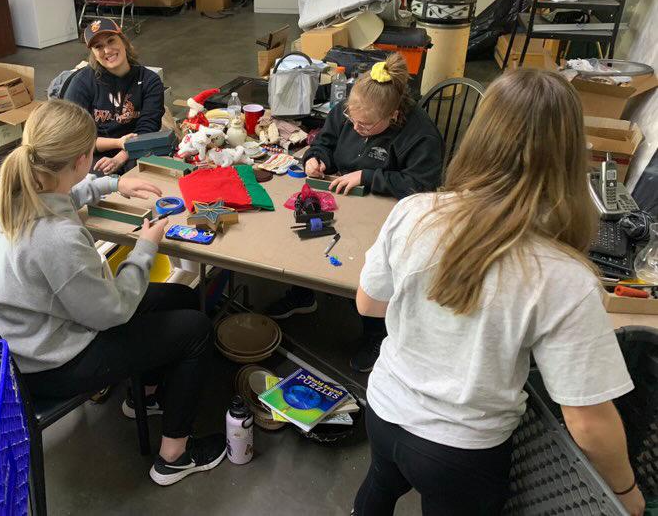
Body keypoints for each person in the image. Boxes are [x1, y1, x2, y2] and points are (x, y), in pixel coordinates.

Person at [353, 69, 644, 516]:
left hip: (385, 410)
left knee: (379, 482)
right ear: (569, 156)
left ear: (479, 136)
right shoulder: (564, 275)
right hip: (462, 448)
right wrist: (626, 492)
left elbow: (369, 304)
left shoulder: (414, 210)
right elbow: (587, 420)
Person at [0, 101, 226, 486]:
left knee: (178, 298)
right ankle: (174, 456)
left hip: (27, 339)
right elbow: (113, 312)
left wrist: (114, 182)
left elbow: (60, 199)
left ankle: (145, 393)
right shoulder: (57, 239)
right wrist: (145, 248)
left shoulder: (11, 193)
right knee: (195, 330)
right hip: (49, 364)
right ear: (82, 159)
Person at [265, 54, 444, 373]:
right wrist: (316, 157)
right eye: (352, 118)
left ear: (395, 115)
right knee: (304, 228)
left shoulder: (421, 135)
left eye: (366, 125)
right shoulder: (350, 114)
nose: (356, 127)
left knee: (364, 263)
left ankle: (376, 333)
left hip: (389, 210)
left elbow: (422, 186)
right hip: (342, 198)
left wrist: (368, 176)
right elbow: (326, 142)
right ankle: (304, 293)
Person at [64, 17, 165, 176]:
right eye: (99, 47)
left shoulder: (149, 81)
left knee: (148, 176)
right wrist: (117, 143)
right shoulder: (82, 83)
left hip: (138, 147)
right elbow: (72, 137)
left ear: (124, 41)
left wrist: (121, 156)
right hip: (93, 151)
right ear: (93, 54)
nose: (107, 50)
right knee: (95, 184)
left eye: (111, 41)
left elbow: (149, 128)